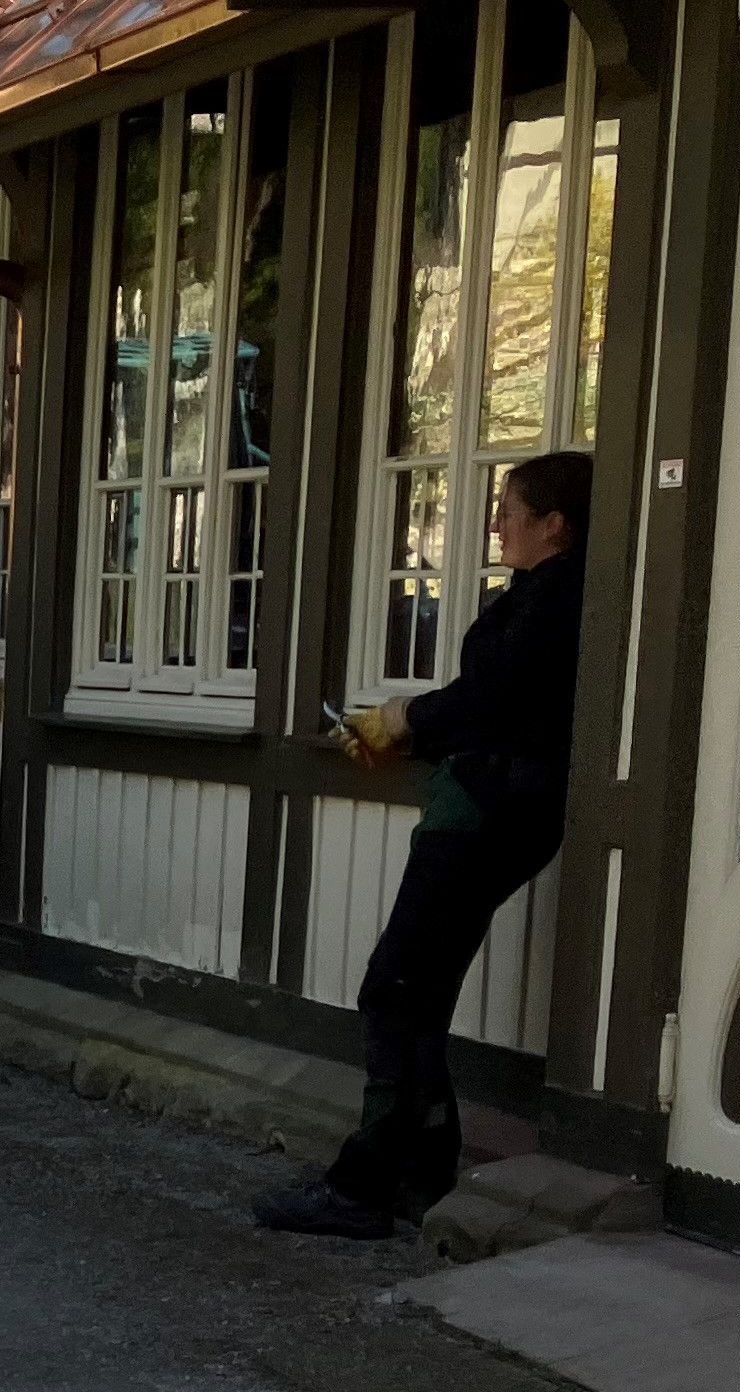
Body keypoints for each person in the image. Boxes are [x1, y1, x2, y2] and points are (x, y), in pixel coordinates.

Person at [255, 451, 594, 1238]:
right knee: (417, 993)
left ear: (555, 524)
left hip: (487, 813)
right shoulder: (544, 596)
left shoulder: (556, 602)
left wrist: (407, 718)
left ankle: (364, 1189)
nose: (498, 523)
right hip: (486, 801)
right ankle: (420, 1170)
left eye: (512, 509)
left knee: (395, 989)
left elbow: (495, 701)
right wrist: (408, 736)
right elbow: (494, 711)